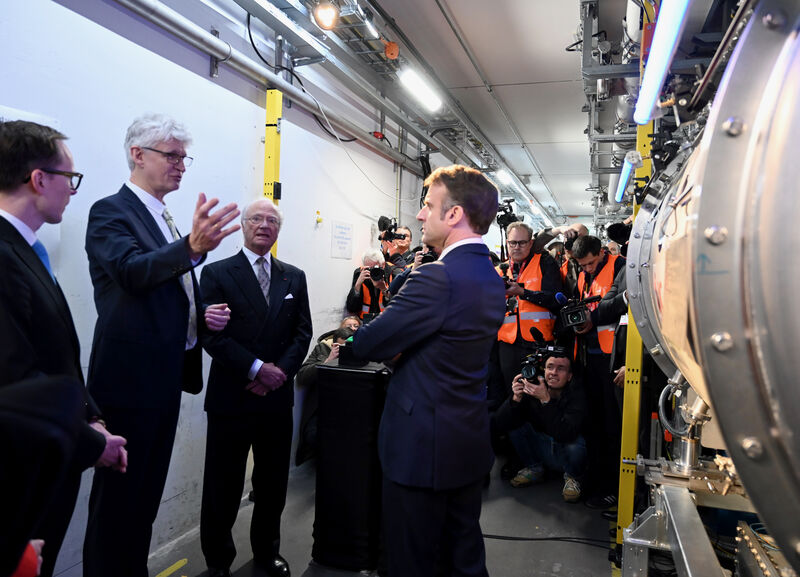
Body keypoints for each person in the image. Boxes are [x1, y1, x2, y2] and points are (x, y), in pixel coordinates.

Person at [83, 114, 239, 577]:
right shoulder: (110, 210)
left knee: (143, 501)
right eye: (171, 156)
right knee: (118, 506)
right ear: (138, 154)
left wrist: (198, 316)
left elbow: (162, 289)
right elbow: (132, 272)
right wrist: (191, 248)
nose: (181, 166)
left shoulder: (161, 215)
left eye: (183, 157)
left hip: (163, 378)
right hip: (128, 383)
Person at [352, 164, 506, 577]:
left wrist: (363, 336)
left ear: (453, 214)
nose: (419, 215)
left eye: (427, 205)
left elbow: (367, 344)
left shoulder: (436, 278)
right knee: (463, 557)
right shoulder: (490, 277)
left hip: (421, 451)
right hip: (465, 444)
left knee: (411, 560)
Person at [0, 120, 127, 577]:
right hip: (22, 466)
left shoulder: (25, 249)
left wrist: (90, 414)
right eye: (69, 179)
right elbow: (16, 378)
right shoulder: (3, 254)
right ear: (38, 180)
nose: (73, 192)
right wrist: (93, 442)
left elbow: (55, 355)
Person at [199, 199, 312, 577]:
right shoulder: (216, 273)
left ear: (278, 229)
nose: (264, 225)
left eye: (272, 220)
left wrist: (278, 372)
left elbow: (303, 332)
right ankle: (218, 563)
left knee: (272, 483)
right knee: (222, 487)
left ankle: (267, 553)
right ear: (245, 226)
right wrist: (256, 368)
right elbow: (211, 336)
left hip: (275, 398)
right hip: (232, 396)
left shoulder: (293, 276)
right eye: (257, 219)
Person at [571, 234, 626, 510]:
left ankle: (615, 487)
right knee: (594, 425)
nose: (587, 269)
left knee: (613, 427)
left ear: (602, 252)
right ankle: (596, 479)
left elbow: (622, 308)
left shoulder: (621, 268)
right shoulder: (582, 276)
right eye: (582, 265)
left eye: (591, 263)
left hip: (613, 361)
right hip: (588, 359)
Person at [493, 355, 587, 502]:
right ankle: (534, 468)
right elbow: (500, 424)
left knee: (576, 444)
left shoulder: (577, 395)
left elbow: (566, 434)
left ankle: (573, 477)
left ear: (569, 376)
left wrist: (545, 400)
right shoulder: (533, 388)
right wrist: (515, 398)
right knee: (514, 422)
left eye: (560, 368)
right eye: (550, 367)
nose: (554, 372)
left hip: (564, 453)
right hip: (543, 448)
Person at [495, 222, 563, 406]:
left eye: (522, 243)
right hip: (507, 344)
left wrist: (523, 293)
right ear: (507, 243)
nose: (517, 247)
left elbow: (556, 300)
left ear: (531, 243)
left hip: (538, 343)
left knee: (537, 397)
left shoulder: (545, 263)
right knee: (513, 395)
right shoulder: (500, 270)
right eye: (512, 243)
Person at [295, 321, 359, 465]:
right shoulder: (322, 349)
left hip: (349, 408)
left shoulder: (361, 351)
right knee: (314, 435)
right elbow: (302, 376)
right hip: (323, 408)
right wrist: (328, 361)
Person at [345, 248, 391, 322]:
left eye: (375, 268)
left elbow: (398, 306)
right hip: (365, 321)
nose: (372, 272)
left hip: (387, 320)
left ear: (383, 264)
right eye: (369, 268)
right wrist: (357, 285)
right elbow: (351, 308)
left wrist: (384, 289)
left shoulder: (392, 274)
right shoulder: (360, 273)